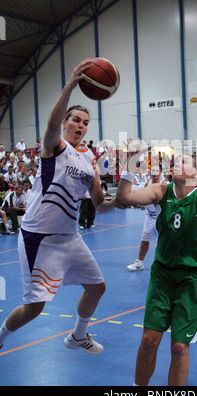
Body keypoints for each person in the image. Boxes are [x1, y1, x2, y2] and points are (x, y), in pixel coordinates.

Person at [0, 59, 123, 355]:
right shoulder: (55, 147)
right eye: (76, 120)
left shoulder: (89, 160)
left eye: (85, 122)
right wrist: (70, 84)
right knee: (34, 308)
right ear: (66, 123)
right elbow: (51, 124)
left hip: (69, 237)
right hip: (38, 238)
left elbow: (99, 205)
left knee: (97, 287)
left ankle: (78, 336)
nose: (80, 125)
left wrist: (120, 200)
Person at [116, 130, 197, 386]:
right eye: (176, 160)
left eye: (184, 161)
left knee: (179, 347)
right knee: (148, 340)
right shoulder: (161, 190)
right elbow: (123, 198)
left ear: (196, 174)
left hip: (193, 279)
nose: (176, 162)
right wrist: (131, 160)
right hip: (163, 275)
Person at [127, 164, 165, 272]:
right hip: (150, 217)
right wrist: (142, 204)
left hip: (161, 217)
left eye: (157, 170)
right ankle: (140, 262)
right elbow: (144, 196)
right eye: (153, 170)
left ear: (160, 173)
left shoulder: (163, 185)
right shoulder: (148, 183)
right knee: (144, 239)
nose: (154, 172)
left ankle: (164, 263)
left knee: (163, 241)